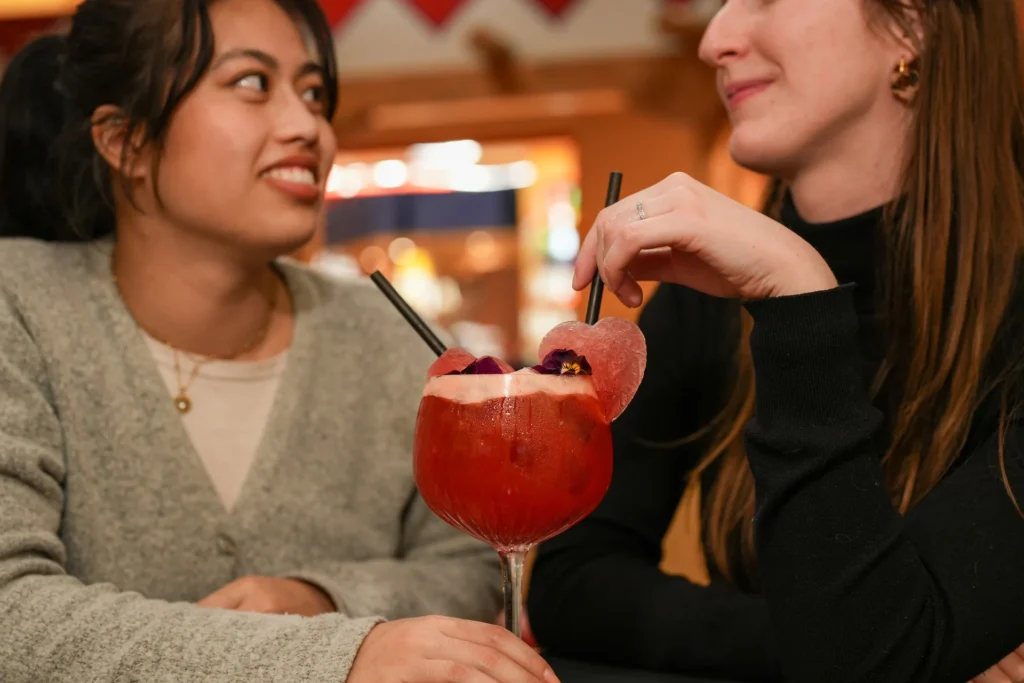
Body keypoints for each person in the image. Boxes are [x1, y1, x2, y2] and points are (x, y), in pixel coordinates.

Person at [0, 2, 557, 682]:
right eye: (252, 83)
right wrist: (335, 653)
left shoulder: (389, 338)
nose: (309, 128)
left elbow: (473, 566)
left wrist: (322, 597)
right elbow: (12, 610)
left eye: (314, 93)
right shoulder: (17, 306)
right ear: (125, 140)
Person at [527, 1, 1024, 683]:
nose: (713, 41)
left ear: (912, 22)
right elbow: (571, 584)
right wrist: (873, 640)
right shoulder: (715, 292)